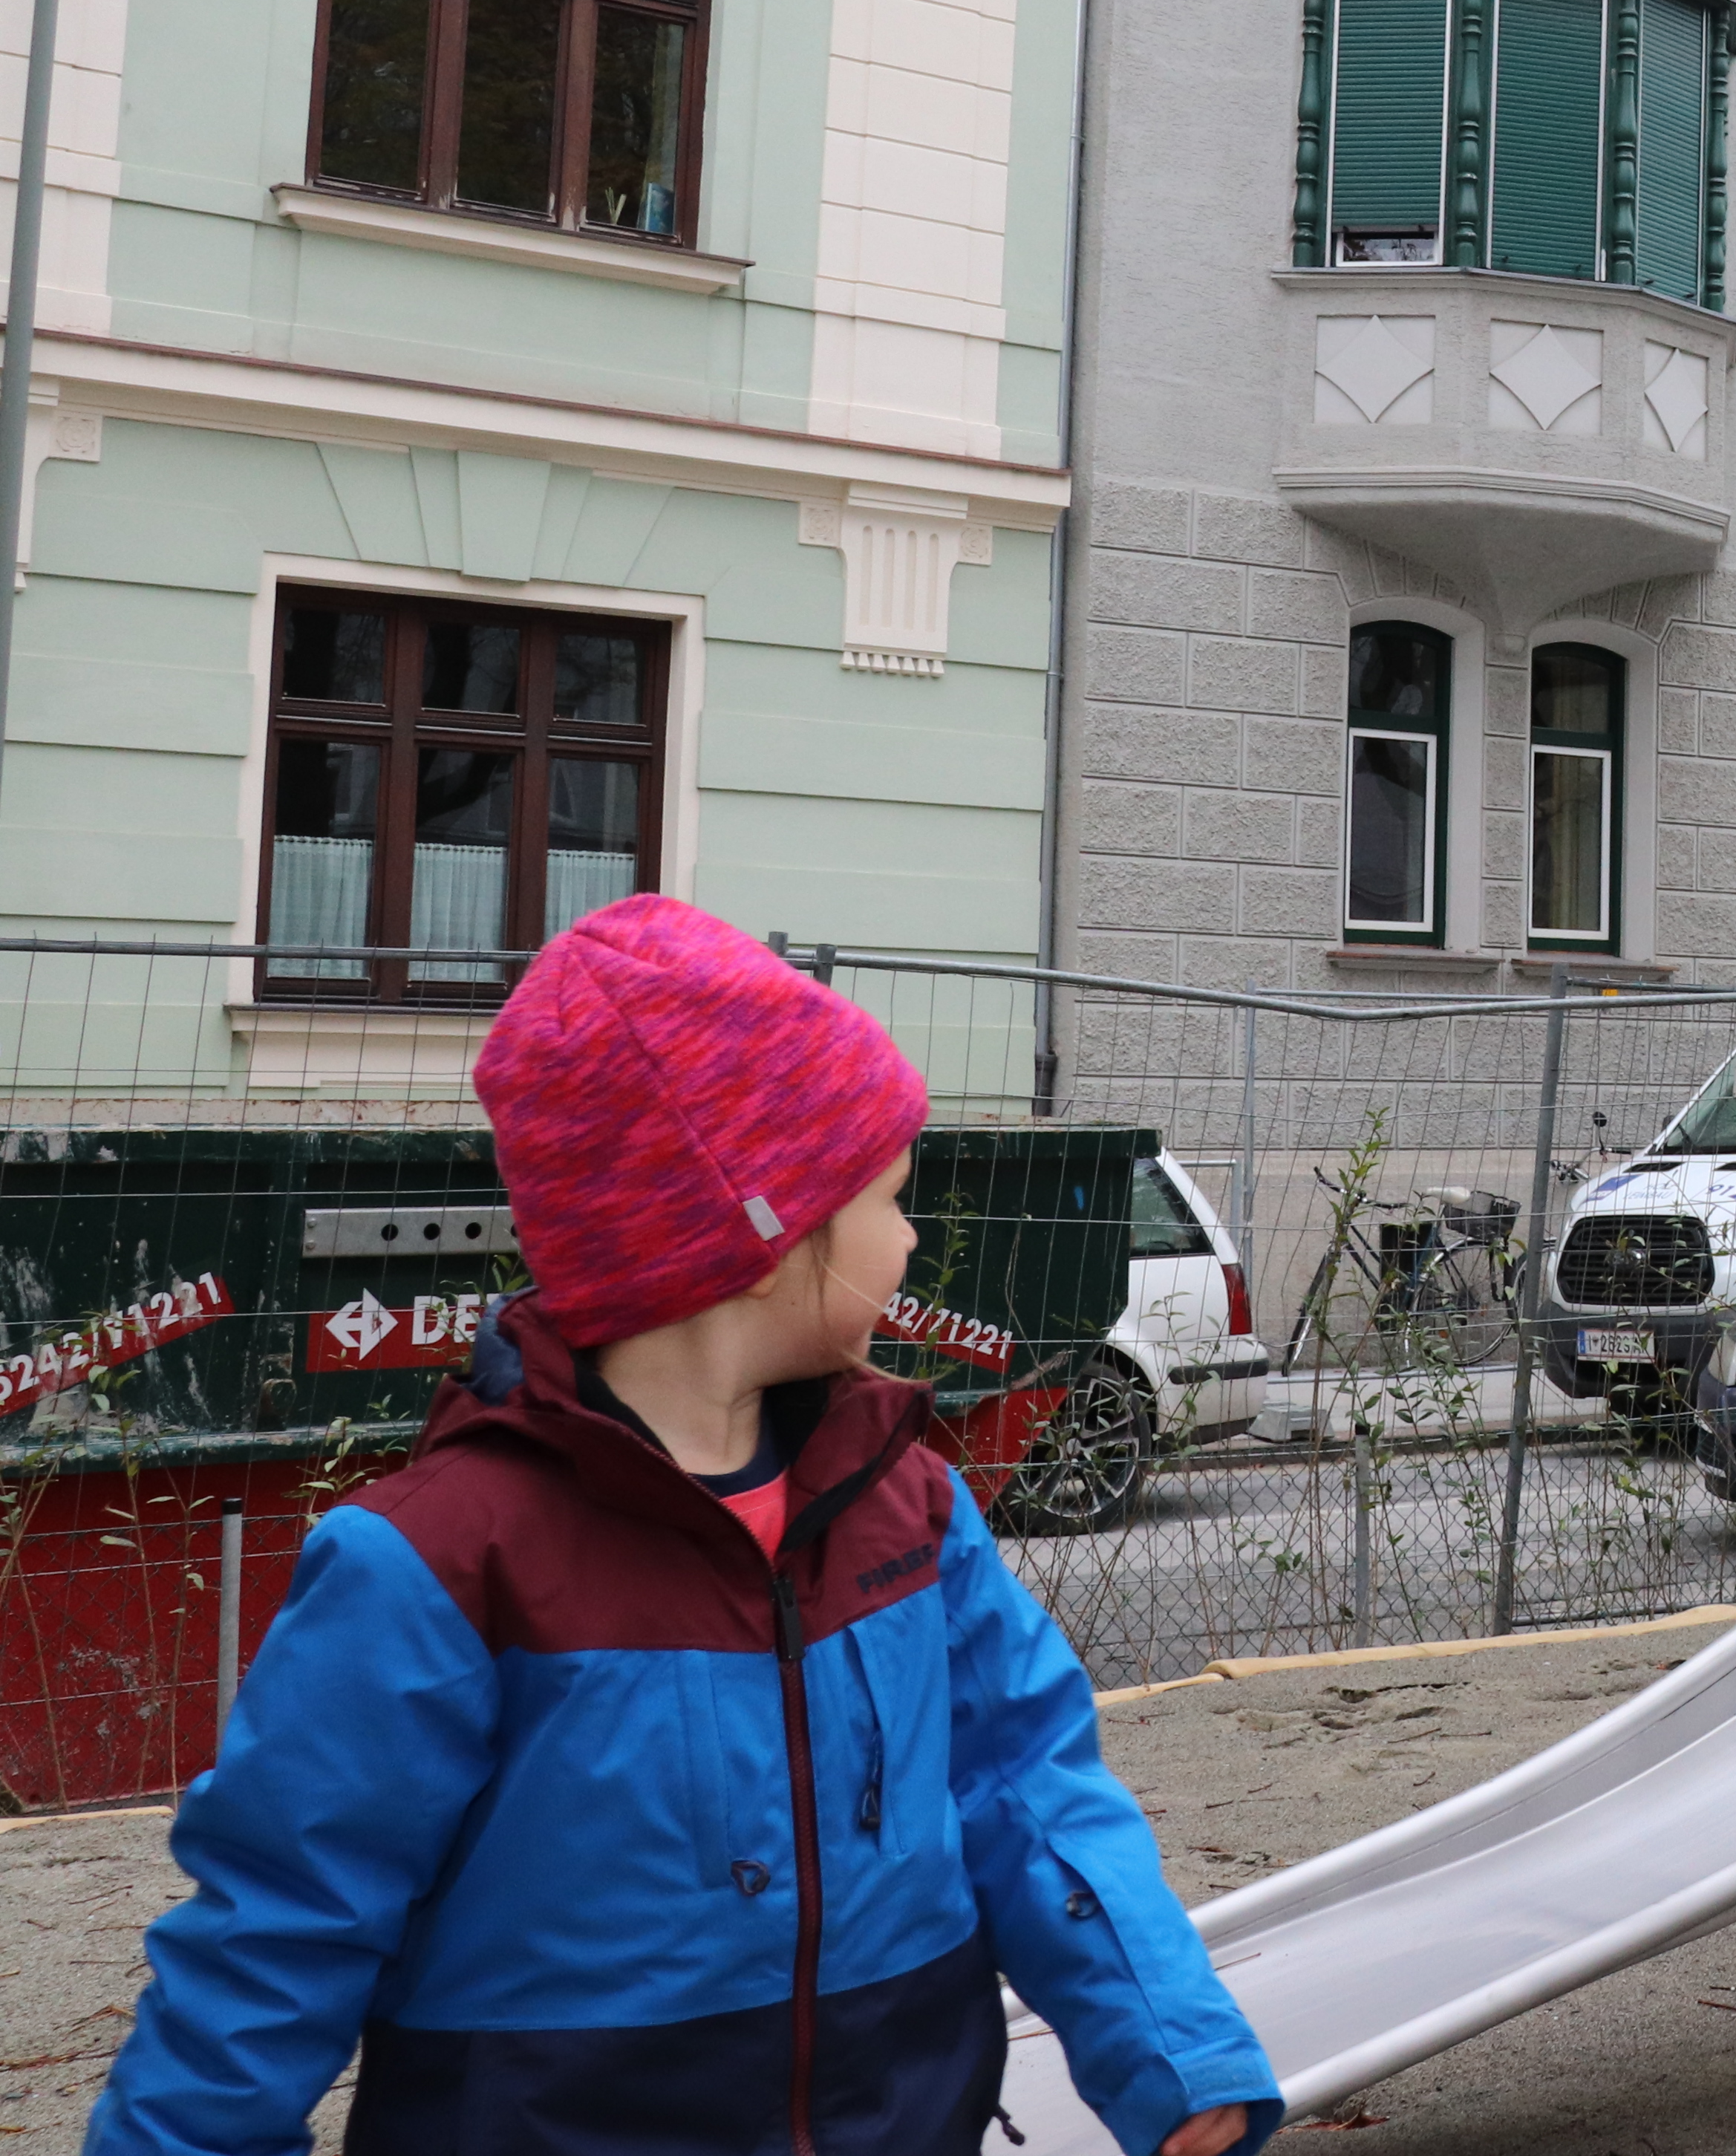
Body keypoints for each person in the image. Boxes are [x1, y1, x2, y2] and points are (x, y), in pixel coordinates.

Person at [85, 898, 1279, 2156]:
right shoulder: (441, 1566)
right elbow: (275, 1939)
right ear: (762, 1238)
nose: (913, 1237)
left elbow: (1025, 1775)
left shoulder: (902, 1498)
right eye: (889, 1197)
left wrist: (1169, 2045)